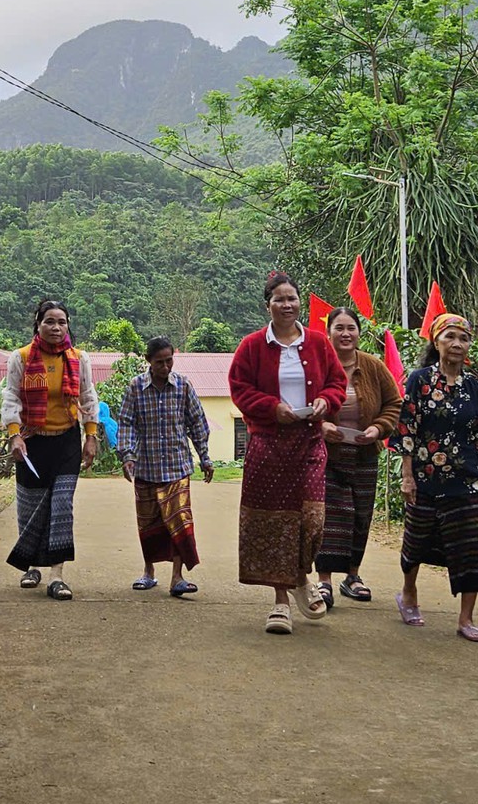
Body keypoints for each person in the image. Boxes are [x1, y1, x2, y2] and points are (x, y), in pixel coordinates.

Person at [228, 271, 348, 635]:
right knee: (274, 521)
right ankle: (281, 601)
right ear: (268, 305)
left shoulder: (317, 342)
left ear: (300, 303)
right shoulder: (251, 346)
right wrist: (270, 407)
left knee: (312, 519)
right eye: (279, 299)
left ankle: (299, 575)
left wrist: (327, 401)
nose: (286, 304)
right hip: (268, 443)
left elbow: (336, 382)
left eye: (292, 298)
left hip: (310, 440)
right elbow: (239, 388)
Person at [396, 312, 478, 642]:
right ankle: (408, 594)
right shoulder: (419, 380)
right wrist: (407, 476)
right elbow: (407, 429)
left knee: (472, 548)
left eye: (464, 338)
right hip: (425, 475)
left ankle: (466, 619)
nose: (457, 344)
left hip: (469, 480)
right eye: (450, 337)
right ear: (436, 342)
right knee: (416, 542)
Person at [1, 298, 99, 600]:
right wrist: (14, 435)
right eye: (50, 321)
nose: (56, 327)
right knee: (30, 505)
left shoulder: (79, 359)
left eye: (62, 322)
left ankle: (57, 575)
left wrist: (91, 436)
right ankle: (30, 566)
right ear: (38, 323)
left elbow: (88, 396)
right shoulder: (20, 358)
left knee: (61, 507)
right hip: (32, 441)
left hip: (66, 440)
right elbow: (11, 398)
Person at [314, 306, 402, 608]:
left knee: (360, 515)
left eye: (351, 328)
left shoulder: (373, 366)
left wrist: (378, 429)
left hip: (365, 454)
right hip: (327, 454)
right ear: (329, 333)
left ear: (359, 333)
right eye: (339, 328)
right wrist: (322, 426)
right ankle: (323, 580)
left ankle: (353, 576)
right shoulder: (318, 366)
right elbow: (302, 403)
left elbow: (394, 403)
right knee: (328, 518)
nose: (345, 333)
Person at [115, 336, 215, 597]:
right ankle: (149, 572)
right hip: (146, 468)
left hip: (177, 467)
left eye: (169, 360)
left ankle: (177, 578)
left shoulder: (183, 386)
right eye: (159, 362)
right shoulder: (135, 387)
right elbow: (126, 423)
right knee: (149, 523)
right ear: (148, 361)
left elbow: (198, 424)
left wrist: (204, 457)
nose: (165, 366)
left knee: (179, 521)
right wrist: (127, 455)